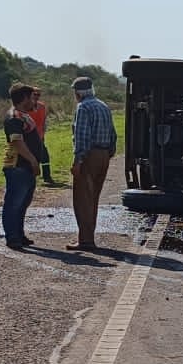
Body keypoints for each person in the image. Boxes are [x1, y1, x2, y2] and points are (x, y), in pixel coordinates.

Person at [68, 75, 117, 252]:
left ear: (78, 93)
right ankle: (88, 236)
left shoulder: (83, 107)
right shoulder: (103, 106)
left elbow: (81, 137)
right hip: (104, 153)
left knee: (83, 198)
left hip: (90, 155)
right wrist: (108, 153)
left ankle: (86, 240)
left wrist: (78, 161)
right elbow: (113, 134)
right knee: (93, 198)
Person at [1, 82, 42, 250]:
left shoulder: (23, 114)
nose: (35, 101)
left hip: (25, 167)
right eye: (33, 97)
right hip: (18, 166)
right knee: (14, 203)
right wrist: (33, 160)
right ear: (24, 98)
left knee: (23, 203)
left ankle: (19, 234)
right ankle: (12, 237)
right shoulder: (14, 117)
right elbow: (17, 141)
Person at [30, 86, 61, 187]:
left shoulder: (42, 106)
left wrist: (43, 131)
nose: (37, 96)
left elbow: (43, 121)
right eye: (35, 94)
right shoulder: (25, 106)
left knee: (44, 156)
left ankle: (47, 177)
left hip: (40, 135)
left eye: (39, 94)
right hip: (29, 136)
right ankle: (31, 177)